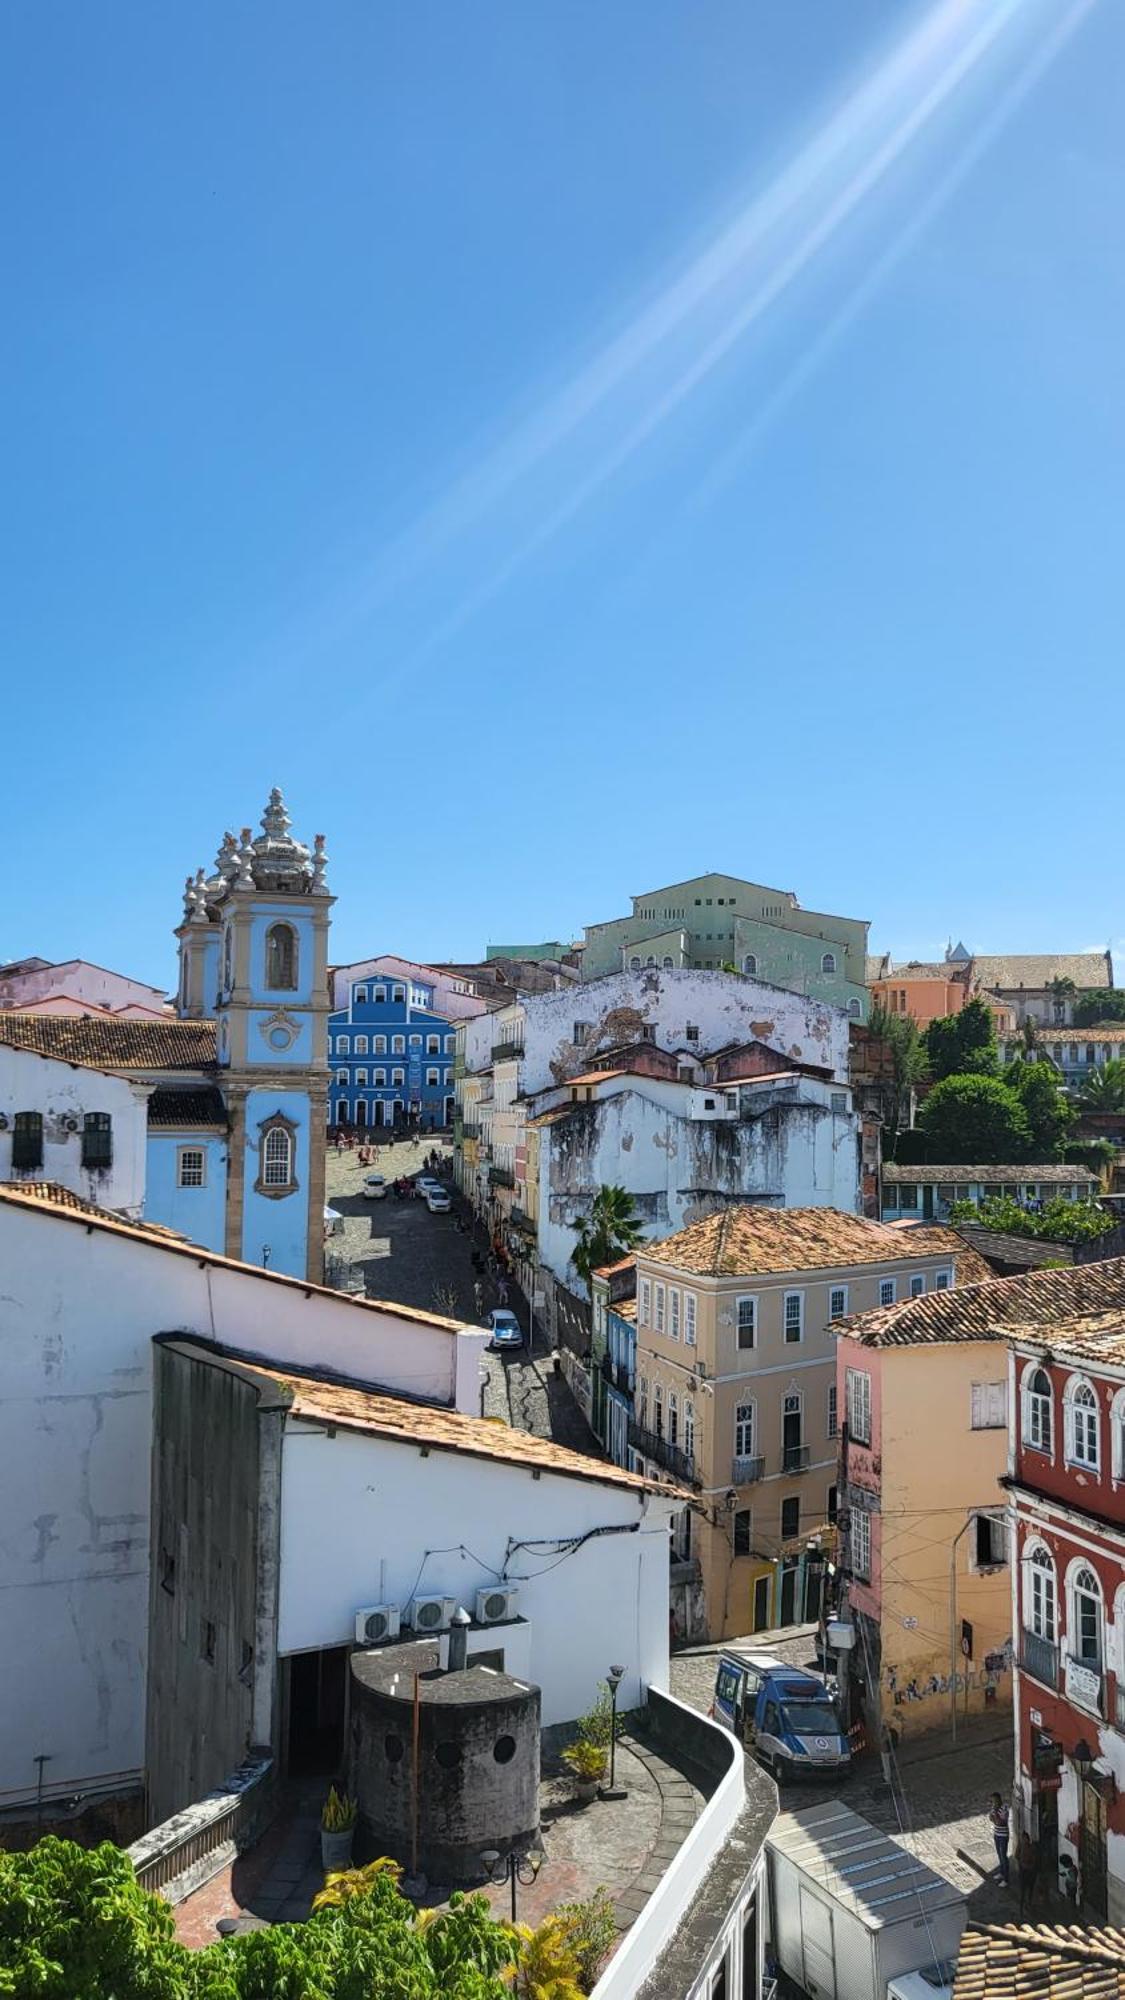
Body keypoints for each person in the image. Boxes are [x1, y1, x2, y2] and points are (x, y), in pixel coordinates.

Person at [988, 1793, 1010, 1885]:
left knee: (1003, 1856)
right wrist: (995, 1818)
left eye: (994, 1801)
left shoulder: (1004, 1808)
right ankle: (1001, 1872)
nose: (993, 1803)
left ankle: (1006, 1878)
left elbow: (1001, 1822)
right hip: (996, 1834)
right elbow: (991, 1818)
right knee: (999, 1855)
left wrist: (995, 1816)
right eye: (992, 1801)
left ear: (998, 1800)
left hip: (1003, 1835)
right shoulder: (994, 1809)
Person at [1017, 1830, 1039, 1915]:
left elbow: (1034, 1861)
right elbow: (1017, 1856)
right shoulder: (1020, 1846)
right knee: (1022, 1891)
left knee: (1030, 1889)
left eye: (1025, 1839)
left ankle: (1029, 1904)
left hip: (1030, 1873)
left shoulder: (1032, 1848)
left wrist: (1028, 1866)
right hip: (1023, 1872)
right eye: (1023, 1839)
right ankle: (1021, 1909)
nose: (1024, 1841)